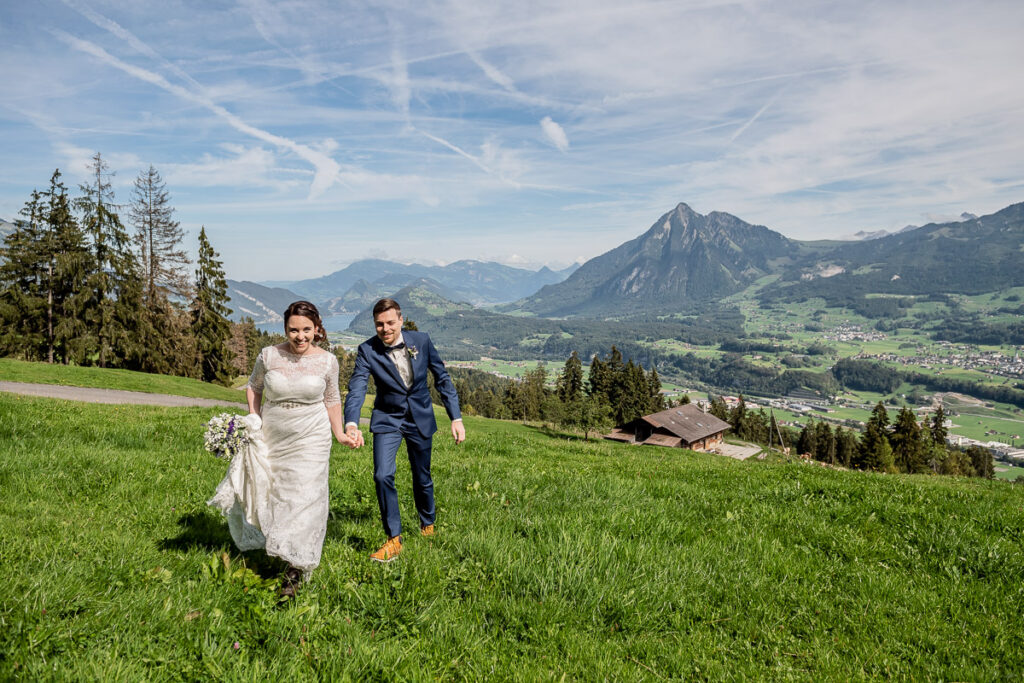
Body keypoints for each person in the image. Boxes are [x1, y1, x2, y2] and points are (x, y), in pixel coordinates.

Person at [208, 301, 354, 597]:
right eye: (293, 330)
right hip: (273, 434)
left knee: (304, 497)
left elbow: (332, 398)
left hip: (311, 436)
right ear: (285, 328)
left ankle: (294, 570)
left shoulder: (327, 361)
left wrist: (339, 433)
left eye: (306, 330)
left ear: (317, 328)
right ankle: (280, 546)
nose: (300, 337)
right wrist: (253, 418)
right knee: (275, 494)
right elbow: (254, 386)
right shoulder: (269, 355)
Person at [344, 298, 465, 562]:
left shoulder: (421, 341)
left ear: (400, 320)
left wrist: (455, 417)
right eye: (379, 324)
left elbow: (442, 378)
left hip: (420, 417)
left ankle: (427, 522)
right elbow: (357, 388)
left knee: (422, 476)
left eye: (390, 323)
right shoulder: (367, 351)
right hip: (387, 419)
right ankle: (393, 538)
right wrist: (351, 422)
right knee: (382, 475)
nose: (385, 329)